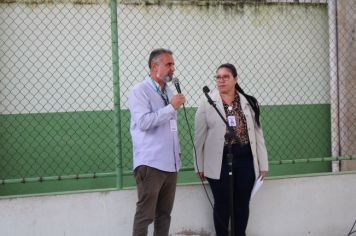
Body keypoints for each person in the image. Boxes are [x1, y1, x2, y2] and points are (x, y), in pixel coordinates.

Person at [194, 63, 269, 236]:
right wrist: (199, 164)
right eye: (218, 77)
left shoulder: (248, 102)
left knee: (242, 203)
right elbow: (199, 137)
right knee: (222, 204)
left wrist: (263, 164)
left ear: (235, 79)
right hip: (218, 160)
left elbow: (258, 135)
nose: (221, 81)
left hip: (244, 158)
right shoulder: (207, 102)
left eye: (225, 77)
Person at [128, 48, 186, 236]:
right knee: (145, 216)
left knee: (164, 215)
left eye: (173, 64)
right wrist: (171, 108)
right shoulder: (139, 91)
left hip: (171, 164)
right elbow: (144, 122)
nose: (173, 68)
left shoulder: (168, 92)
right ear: (155, 66)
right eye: (169, 64)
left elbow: (169, 127)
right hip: (151, 162)